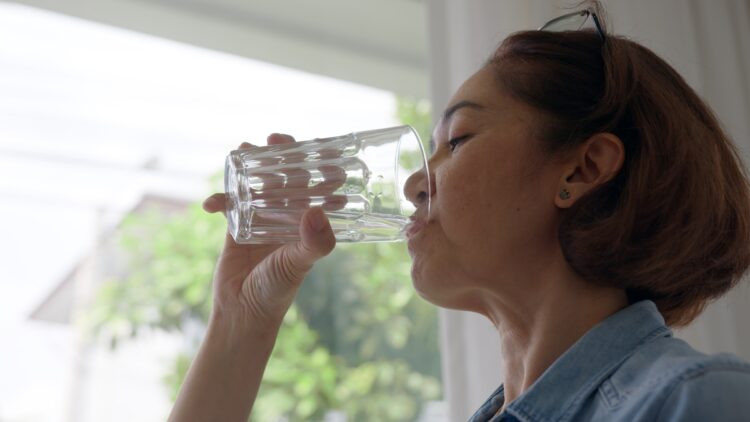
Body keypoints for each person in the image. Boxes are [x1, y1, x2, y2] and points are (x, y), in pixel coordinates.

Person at [168, 2, 750, 421]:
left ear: (581, 170)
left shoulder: (695, 402)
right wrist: (242, 320)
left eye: (459, 139)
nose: (417, 182)